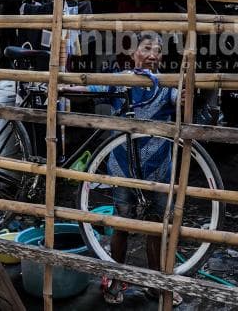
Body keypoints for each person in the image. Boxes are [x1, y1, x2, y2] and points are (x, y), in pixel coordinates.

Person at [87, 32, 184, 306]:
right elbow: (90, 87)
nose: (153, 54)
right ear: (134, 53)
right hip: (123, 166)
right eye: (147, 48)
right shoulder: (120, 80)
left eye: (157, 50)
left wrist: (187, 97)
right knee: (121, 225)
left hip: (159, 169)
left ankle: (157, 285)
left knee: (156, 227)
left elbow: (180, 101)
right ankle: (118, 279)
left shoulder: (166, 85)